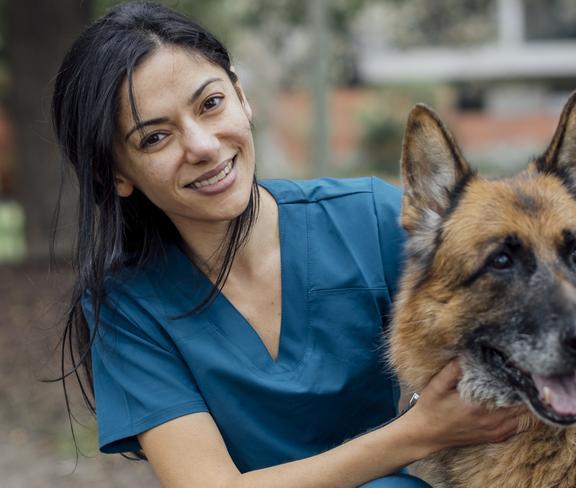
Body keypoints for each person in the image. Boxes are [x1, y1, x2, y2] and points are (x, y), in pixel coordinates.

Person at [51, 2, 523, 487]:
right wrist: (418, 433)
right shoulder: (128, 306)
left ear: (241, 95)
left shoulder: (371, 220)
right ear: (116, 173)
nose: (204, 146)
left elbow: (523, 306)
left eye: (210, 104)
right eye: (154, 137)